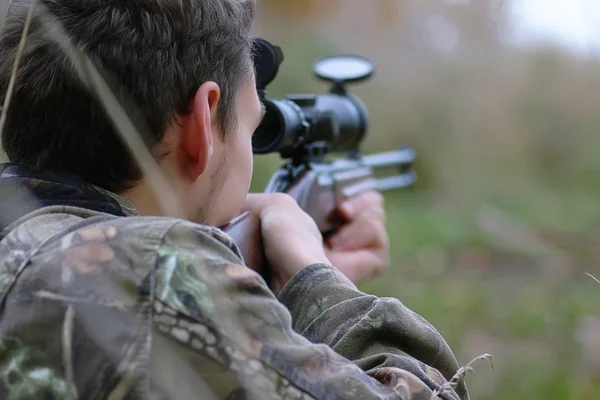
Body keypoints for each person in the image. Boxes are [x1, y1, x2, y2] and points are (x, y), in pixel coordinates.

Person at [0, 1, 469, 399]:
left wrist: (269, 298)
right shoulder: (158, 274)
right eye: (251, 123)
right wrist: (319, 287)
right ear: (203, 122)